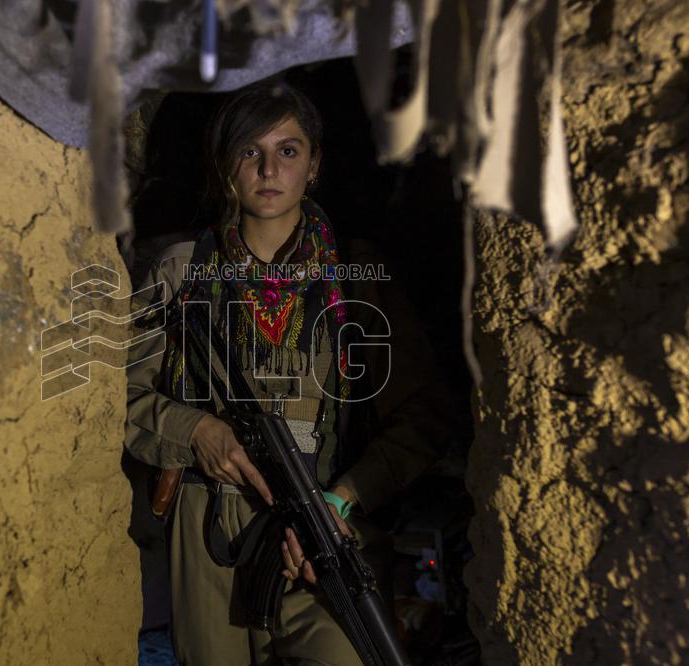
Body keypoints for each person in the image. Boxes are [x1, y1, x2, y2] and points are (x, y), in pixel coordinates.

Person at [124, 79, 449, 665]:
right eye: (250, 150)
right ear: (224, 165)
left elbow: (425, 415)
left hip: (326, 533)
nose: (269, 169)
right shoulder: (181, 273)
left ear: (314, 164)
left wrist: (345, 499)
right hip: (212, 531)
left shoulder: (356, 278)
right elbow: (119, 399)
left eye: (288, 150)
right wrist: (196, 432)